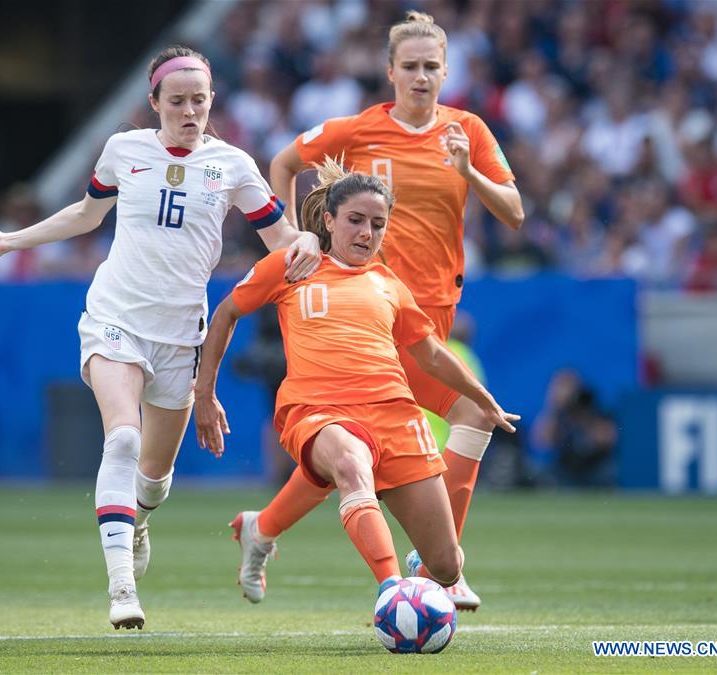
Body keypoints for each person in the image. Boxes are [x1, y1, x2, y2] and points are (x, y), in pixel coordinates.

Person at [0, 45, 321, 630]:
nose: (188, 111)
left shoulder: (233, 166)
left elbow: (283, 240)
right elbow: (84, 214)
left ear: (212, 102)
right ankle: (121, 586)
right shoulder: (124, 150)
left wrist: (307, 244)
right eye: (176, 101)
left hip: (181, 335)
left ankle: (140, 520)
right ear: (154, 103)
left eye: (199, 100)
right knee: (122, 440)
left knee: (154, 477)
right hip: (115, 317)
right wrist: (9, 240)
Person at [232, 11, 524, 610]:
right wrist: (291, 240)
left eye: (432, 67)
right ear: (390, 71)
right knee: (467, 414)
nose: (421, 77)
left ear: (447, 71)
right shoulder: (359, 130)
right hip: (364, 317)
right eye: (410, 66)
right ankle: (437, 564)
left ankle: (261, 528)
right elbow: (284, 164)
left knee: (345, 459)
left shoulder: (466, 130)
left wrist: (469, 171)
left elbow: (515, 212)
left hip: (429, 316)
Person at [194, 161, 518, 600]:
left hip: (394, 416)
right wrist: (204, 392)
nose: (367, 233)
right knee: (348, 464)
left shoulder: (388, 284)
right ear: (328, 221)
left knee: (446, 565)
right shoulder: (294, 265)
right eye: (356, 220)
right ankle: (392, 592)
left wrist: (482, 398)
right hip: (317, 411)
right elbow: (227, 312)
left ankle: (262, 527)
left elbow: (430, 354)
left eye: (378, 224)